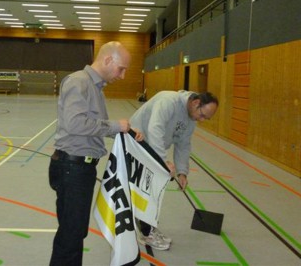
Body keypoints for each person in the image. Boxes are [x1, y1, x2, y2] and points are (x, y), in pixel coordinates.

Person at [48, 41, 142, 266]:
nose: (122, 75)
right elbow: (75, 124)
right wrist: (114, 126)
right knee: (72, 233)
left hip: (80, 169)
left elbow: (93, 126)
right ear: (108, 60)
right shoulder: (79, 82)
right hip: (73, 169)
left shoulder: (95, 87)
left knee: (75, 231)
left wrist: (125, 130)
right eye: (122, 69)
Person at [130, 90, 219, 250]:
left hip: (150, 148)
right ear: (195, 103)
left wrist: (182, 172)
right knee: (147, 189)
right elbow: (154, 130)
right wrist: (163, 162)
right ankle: (146, 232)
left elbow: (183, 145)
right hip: (136, 143)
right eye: (203, 115)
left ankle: (148, 228)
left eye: (207, 118)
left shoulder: (191, 119)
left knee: (153, 188)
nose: (202, 120)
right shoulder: (168, 101)